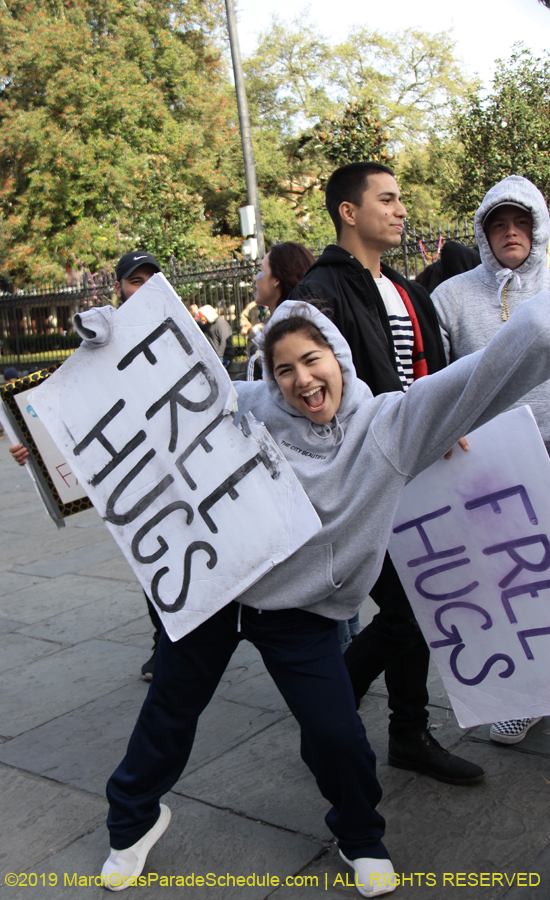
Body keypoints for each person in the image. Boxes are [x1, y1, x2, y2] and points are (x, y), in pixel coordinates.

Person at [101, 288, 550, 894]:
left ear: (338, 355)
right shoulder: (243, 407)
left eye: (312, 360)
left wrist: (527, 334)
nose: (302, 380)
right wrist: (105, 347)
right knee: (167, 715)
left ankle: (360, 836)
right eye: (283, 368)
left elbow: (487, 372)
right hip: (217, 595)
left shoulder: (390, 424)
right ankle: (132, 823)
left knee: (337, 733)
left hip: (302, 611)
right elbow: (141, 412)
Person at [290, 161, 481, 784]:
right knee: (407, 611)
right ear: (349, 211)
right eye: (388, 199)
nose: (401, 210)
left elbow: (432, 374)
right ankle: (329, 713)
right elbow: (309, 387)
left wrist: (445, 423)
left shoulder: (404, 288)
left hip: (420, 471)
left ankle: (408, 734)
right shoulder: (319, 292)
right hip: (363, 478)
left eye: (401, 200)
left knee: (420, 604)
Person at [432, 174, 550, 747]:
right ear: (482, 232)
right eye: (498, 224)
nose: (510, 233)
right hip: (489, 471)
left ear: (537, 228)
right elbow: (430, 379)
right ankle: (521, 700)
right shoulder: (451, 297)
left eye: (520, 222)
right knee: (507, 585)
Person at [10, 249, 164, 682]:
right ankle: (164, 643)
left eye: (152, 278)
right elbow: (75, 406)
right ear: (119, 287)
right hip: (133, 470)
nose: (144, 287)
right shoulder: (98, 341)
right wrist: (33, 446)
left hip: (180, 461)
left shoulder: (182, 331)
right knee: (153, 557)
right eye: (135, 280)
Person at [246, 241, 316, 380]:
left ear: (276, 280)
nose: (255, 277)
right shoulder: (303, 318)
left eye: (261, 270)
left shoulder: (292, 329)